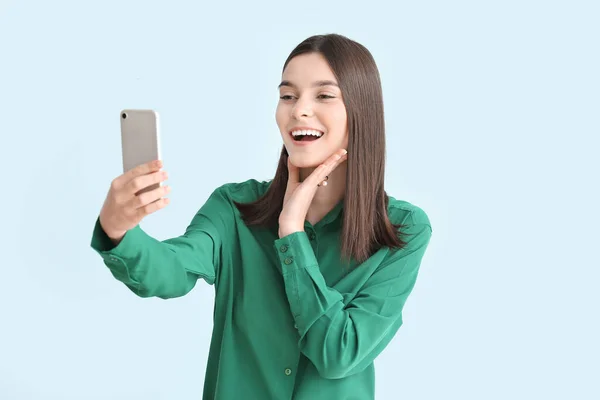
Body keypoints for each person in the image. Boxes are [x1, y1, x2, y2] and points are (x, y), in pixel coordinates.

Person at [90, 33, 433, 400]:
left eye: (324, 95)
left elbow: (339, 354)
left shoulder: (402, 230)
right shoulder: (234, 208)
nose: (299, 109)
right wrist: (118, 228)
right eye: (288, 95)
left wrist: (292, 237)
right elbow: (171, 270)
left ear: (360, 112)